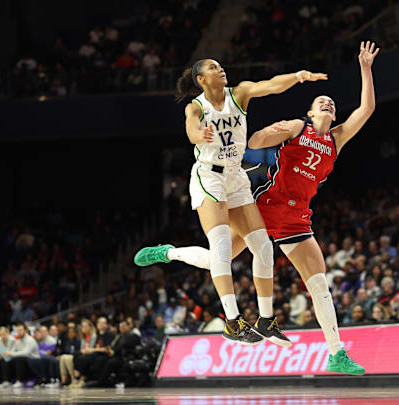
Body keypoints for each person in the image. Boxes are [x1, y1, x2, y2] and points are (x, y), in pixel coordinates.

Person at [138, 41, 379, 375]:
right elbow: (254, 141)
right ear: (310, 112)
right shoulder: (298, 127)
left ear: (334, 114)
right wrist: (270, 132)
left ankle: (336, 353)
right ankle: (171, 254)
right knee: (217, 259)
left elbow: (366, 110)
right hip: (267, 206)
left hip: (297, 216)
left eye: (332, 103)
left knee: (319, 283)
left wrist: (365, 69)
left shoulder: (336, 139)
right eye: (321, 101)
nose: (328, 102)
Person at [135, 58, 327, 346]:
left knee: (262, 247)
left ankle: (265, 320)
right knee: (222, 249)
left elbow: (271, 86)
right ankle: (232, 322)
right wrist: (200, 134)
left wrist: (298, 76)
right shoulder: (196, 106)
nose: (220, 69)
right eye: (212, 67)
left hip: (236, 178)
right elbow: (191, 130)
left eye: (220, 65)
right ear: (201, 79)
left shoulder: (240, 93)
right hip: (209, 179)